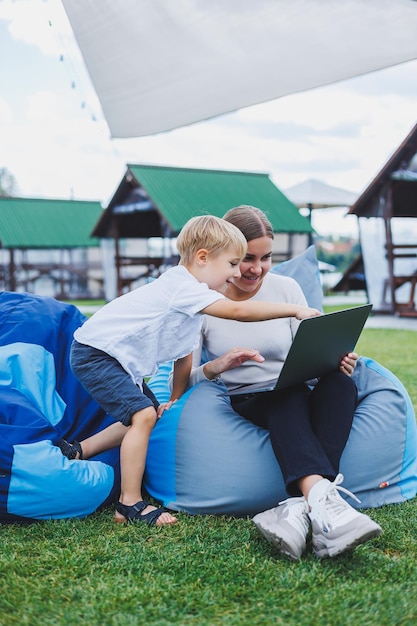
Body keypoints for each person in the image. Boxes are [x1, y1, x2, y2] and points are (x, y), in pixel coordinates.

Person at [58, 214, 321, 528]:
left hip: (111, 357)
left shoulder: (190, 305)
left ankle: (77, 450)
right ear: (203, 258)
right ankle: (129, 503)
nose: (237, 273)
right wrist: (294, 309)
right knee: (142, 416)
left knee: (151, 413)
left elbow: (184, 359)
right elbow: (238, 311)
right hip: (97, 354)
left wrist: (175, 399)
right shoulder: (184, 286)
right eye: (233, 264)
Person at [184, 206, 382, 558]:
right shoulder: (205, 299)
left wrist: (334, 361)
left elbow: (307, 347)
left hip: (296, 387)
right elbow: (185, 380)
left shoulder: (286, 289)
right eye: (246, 258)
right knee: (285, 397)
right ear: (225, 254)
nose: (257, 269)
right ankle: (326, 507)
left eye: (266, 257)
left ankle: (297, 510)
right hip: (251, 398)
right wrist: (219, 364)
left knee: (340, 385)